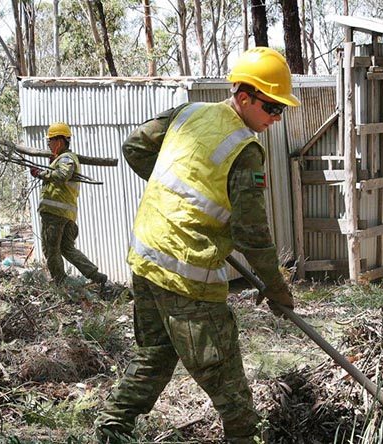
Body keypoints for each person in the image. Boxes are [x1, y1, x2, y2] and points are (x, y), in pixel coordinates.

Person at [94, 47, 298, 444]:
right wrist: (276, 287)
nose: (275, 119)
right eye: (272, 108)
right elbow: (252, 233)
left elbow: (135, 145)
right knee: (228, 382)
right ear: (244, 98)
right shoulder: (244, 149)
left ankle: (111, 428)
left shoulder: (188, 113)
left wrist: (173, 197)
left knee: (153, 355)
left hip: (145, 255)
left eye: (280, 111)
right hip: (186, 273)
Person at [30, 122, 108, 286]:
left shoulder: (65, 158)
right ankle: (96, 276)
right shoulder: (63, 159)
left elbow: (63, 175)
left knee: (51, 250)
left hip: (55, 214)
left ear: (59, 141)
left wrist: (40, 173)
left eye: (50, 141)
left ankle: (61, 283)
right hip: (65, 214)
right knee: (66, 248)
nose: (48, 144)